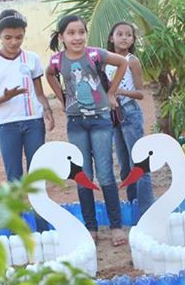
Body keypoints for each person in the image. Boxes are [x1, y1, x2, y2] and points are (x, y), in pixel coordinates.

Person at [46, 15, 129, 246]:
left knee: (105, 173)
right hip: (76, 123)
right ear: (62, 37)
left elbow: (122, 63)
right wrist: (62, 99)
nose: (77, 37)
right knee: (83, 175)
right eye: (71, 33)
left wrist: (111, 93)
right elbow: (49, 74)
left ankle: (116, 227)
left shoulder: (95, 54)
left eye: (81, 32)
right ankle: (90, 227)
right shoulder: (57, 60)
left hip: (101, 120)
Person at [0, 9, 54, 232]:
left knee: (36, 177)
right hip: (7, 126)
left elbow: (39, 93)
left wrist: (47, 111)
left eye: (19, 37)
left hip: (34, 123)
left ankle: (43, 229)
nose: (14, 42)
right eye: (8, 37)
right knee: (14, 180)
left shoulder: (32, 59)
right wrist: (5, 97)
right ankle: (19, 231)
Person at [105, 21, 154, 218]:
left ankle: (146, 212)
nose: (124, 38)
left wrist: (120, 91)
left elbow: (141, 93)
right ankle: (134, 207)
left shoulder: (132, 61)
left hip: (130, 113)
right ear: (111, 38)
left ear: (133, 40)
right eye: (120, 34)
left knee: (139, 165)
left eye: (128, 35)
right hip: (113, 116)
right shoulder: (106, 61)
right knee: (125, 168)